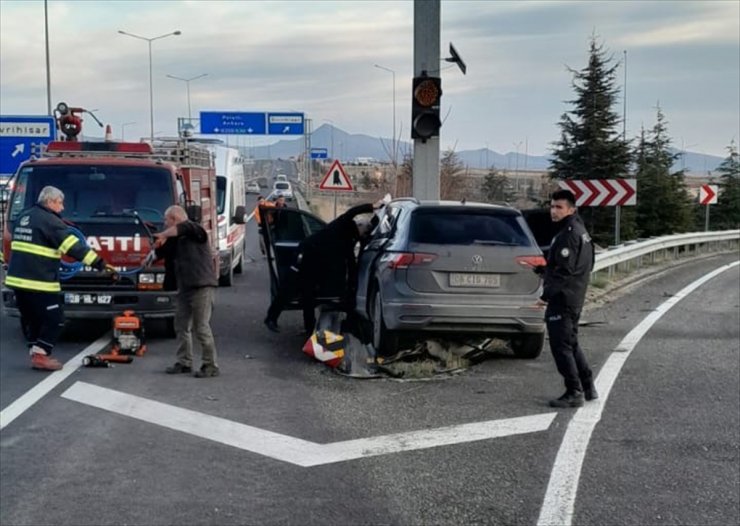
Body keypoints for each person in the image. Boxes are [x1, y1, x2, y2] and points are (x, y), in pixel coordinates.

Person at [5, 186, 110, 371]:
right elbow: (74, 248)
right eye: (60, 203)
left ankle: (36, 352)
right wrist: (100, 264)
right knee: (56, 319)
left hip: (17, 281)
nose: (62, 208)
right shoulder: (51, 222)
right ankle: (41, 354)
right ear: (50, 201)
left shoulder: (24, 216)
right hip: (39, 282)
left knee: (32, 319)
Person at [264, 200, 383, 334]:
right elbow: (353, 212)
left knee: (309, 296)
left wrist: (351, 290)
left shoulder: (350, 241)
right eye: (365, 232)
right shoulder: (344, 224)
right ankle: (271, 318)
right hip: (305, 254)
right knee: (289, 287)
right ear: (360, 226)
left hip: (317, 264)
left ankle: (309, 329)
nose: (364, 235)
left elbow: (351, 265)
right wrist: (372, 206)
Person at [534, 189, 596, 408]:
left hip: (564, 298)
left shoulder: (568, 234)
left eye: (559, 207)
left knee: (561, 347)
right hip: (574, 295)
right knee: (571, 342)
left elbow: (564, 271)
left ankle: (574, 391)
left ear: (571, 209)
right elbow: (586, 263)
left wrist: (545, 296)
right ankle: (588, 386)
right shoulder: (580, 231)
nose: (554, 211)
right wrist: (543, 271)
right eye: (552, 206)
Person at [151, 205, 220, 378]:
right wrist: (154, 250)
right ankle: (184, 362)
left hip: (202, 286)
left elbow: (184, 227)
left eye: (167, 220)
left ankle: (210, 365)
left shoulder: (195, 230)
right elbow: (162, 254)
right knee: (181, 325)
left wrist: (164, 235)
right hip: (185, 287)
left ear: (174, 218)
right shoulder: (176, 240)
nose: (165, 224)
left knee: (201, 327)